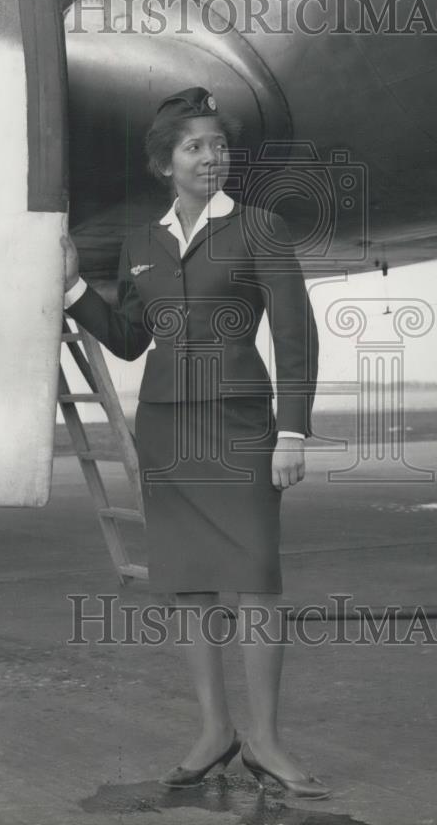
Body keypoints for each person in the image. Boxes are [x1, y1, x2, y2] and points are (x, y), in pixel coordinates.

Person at [61, 87, 329, 799]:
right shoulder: (141, 243)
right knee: (188, 583)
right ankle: (215, 733)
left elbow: (296, 337)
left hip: (241, 428)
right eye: (195, 147)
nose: (212, 157)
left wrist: (291, 432)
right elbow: (128, 339)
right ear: (165, 164)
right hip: (166, 429)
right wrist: (74, 289)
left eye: (219, 145)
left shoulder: (260, 227)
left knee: (257, 580)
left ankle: (265, 741)